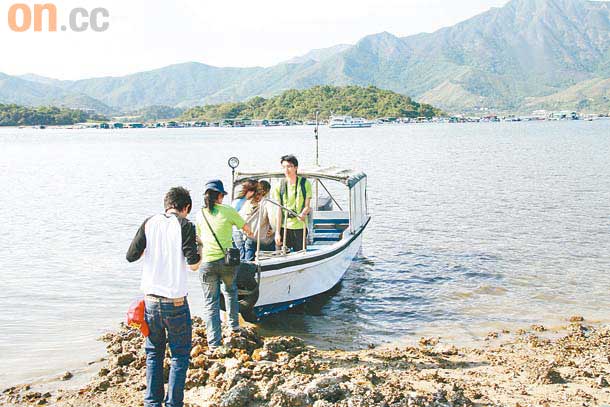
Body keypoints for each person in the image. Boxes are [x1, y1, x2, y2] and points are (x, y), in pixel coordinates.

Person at [126, 186, 201, 407]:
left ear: (166, 205)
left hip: (150, 301)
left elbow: (131, 256)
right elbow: (194, 265)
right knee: (179, 356)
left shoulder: (149, 222)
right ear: (186, 208)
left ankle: (152, 403)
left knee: (153, 354)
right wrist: (201, 248)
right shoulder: (186, 226)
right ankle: (173, 404)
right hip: (175, 302)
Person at [195, 179, 252, 349]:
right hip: (227, 261)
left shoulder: (200, 214)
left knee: (210, 302)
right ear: (220, 196)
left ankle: (214, 343)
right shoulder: (228, 210)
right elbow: (247, 229)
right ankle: (234, 326)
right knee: (230, 290)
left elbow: (198, 238)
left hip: (207, 262)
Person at [273, 154, 312, 252]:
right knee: (280, 254)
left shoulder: (305, 183)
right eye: (284, 167)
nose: (286, 170)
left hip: (299, 226)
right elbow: (278, 211)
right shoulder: (279, 186)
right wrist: (277, 232)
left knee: (301, 255)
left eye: (289, 166)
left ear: (296, 168)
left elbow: (307, 206)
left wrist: (303, 213)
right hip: (284, 227)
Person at [242, 180, 275, 260]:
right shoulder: (267, 203)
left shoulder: (247, 202)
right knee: (268, 261)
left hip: (250, 237)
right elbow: (273, 218)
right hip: (264, 238)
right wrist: (274, 230)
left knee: (248, 262)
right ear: (267, 191)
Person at [231, 179, 258, 260]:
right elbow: (232, 217)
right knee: (242, 252)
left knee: (243, 252)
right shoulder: (239, 202)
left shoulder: (246, 201)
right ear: (250, 191)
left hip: (243, 231)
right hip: (238, 231)